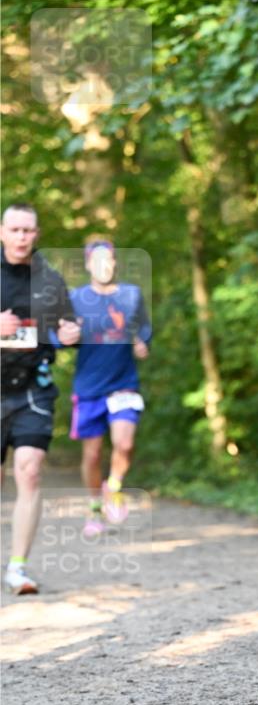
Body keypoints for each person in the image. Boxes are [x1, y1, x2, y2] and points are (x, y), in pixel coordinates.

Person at [1, 203, 81, 595]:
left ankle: (17, 569)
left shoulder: (49, 280)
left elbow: (66, 327)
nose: (21, 238)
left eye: (28, 231)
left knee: (29, 470)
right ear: (2, 232)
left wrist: (70, 334)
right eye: (14, 230)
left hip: (33, 388)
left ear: (37, 233)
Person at [66, 240, 151, 534]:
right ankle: (94, 510)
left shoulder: (131, 295)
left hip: (123, 383)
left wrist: (143, 342)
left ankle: (112, 487)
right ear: (88, 264)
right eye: (97, 261)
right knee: (92, 455)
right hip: (88, 386)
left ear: (114, 263)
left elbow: (143, 327)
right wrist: (68, 335)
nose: (104, 266)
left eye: (109, 260)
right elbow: (58, 335)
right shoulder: (75, 298)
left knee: (124, 444)